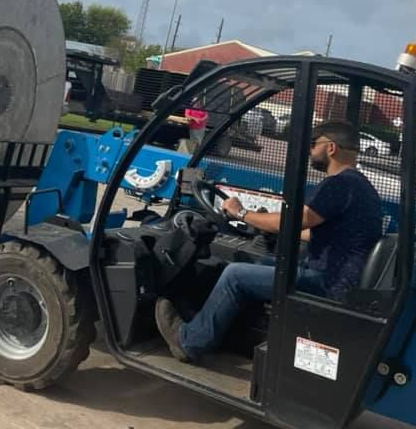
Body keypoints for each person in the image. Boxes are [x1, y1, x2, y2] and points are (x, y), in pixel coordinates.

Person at [154, 120, 382, 363]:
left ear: (331, 148)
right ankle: (207, 321)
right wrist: (270, 227)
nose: (310, 150)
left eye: (314, 144)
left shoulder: (340, 184)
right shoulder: (360, 185)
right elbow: (318, 232)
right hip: (334, 275)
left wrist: (241, 213)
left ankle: (190, 342)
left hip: (327, 283)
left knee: (234, 274)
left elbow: (295, 220)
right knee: (261, 262)